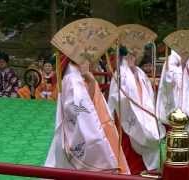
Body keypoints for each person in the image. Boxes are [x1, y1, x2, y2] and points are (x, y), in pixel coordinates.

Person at [45, 18, 129, 174]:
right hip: (82, 133)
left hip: (85, 127)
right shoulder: (73, 79)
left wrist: (90, 81)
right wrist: (97, 140)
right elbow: (79, 112)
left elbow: (86, 105)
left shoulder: (77, 75)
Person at [108, 45, 165, 174]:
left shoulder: (140, 72)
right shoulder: (120, 74)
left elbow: (148, 94)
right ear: (123, 56)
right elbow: (117, 97)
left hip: (144, 113)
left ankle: (149, 170)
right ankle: (131, 172)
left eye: (135, 54)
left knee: (151, 136)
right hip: (127, 115)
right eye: (129, 55)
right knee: (129, 146)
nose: (133, 58)